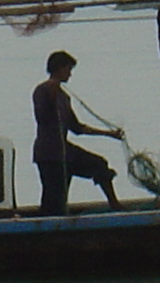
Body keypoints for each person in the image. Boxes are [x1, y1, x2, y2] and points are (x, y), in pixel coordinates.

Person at [31, 49, 123, 214]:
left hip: (65, 151)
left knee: (99, 164)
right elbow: (42, 117)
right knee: (54, 200)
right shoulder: (42, 90)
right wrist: (51, 97)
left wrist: (109, 134)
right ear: (59, 69)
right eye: (68, 69)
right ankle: (47, 223)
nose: (70, 74)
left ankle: (114, 204)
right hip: (48, 154)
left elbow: (77, 128)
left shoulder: (64, 97)